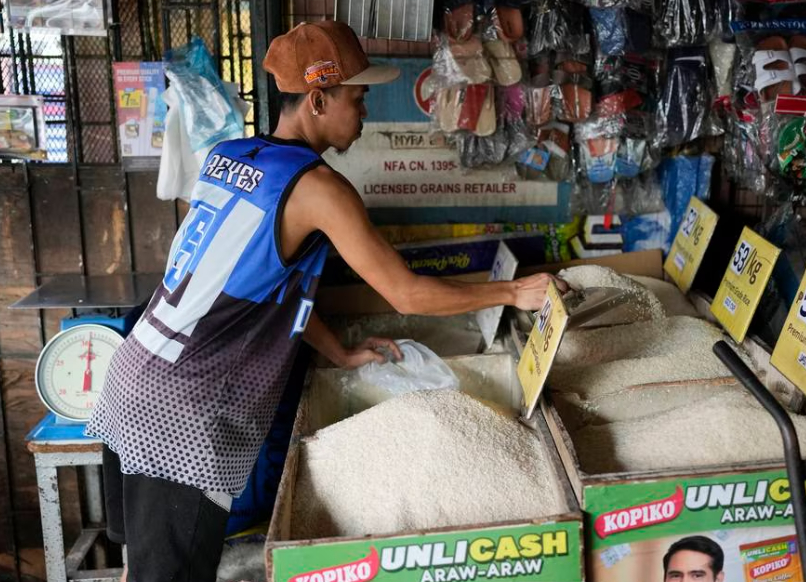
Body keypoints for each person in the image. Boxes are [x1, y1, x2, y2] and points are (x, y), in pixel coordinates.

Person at [86, 20, 565, 582]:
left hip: (132, 378)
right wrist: (514, 290)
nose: (362, 114)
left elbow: (264, 287)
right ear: (317, 99)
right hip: (185, 415)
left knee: (136, 567)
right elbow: (405, 292)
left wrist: (339, 352)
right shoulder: (319, 189)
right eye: (357, 100)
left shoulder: (229, 156)